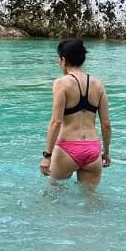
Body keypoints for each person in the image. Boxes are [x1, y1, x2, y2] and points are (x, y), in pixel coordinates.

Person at [40, 38, 112, 187]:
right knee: (91, 202)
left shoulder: (61, 83)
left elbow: (56, 122)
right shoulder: (98, 84)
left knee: (54, 196)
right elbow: (106, 124)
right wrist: (106, 152)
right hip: (92, 150)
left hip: (67, 148)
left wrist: (47, 155)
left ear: (63, 59)